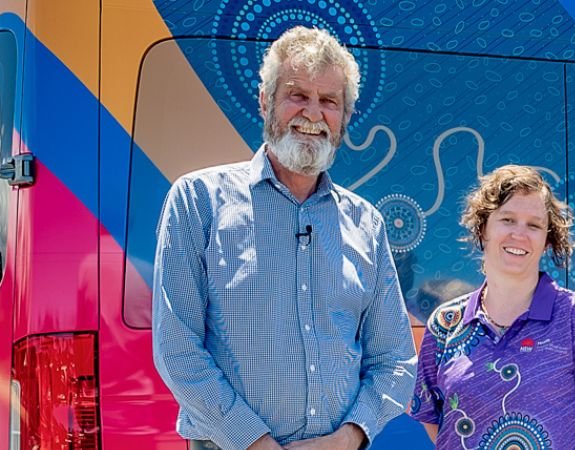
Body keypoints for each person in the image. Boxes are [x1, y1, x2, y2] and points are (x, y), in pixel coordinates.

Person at [152, 26, 416, 450]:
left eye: (329, 101)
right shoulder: (197, 200)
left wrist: (349, 438)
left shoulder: (366, 223)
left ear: (345, 117)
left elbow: (395, 360)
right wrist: (254, 442)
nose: (313, 114)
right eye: (297, 95)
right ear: (265, 101)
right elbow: (177, 349)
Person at [411, 165, 575, 449]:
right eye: (508, 219)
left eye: (534, 225)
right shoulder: (445, 324)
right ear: (483, 230)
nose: (520, 234)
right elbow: (432, 418)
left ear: (546, 241)